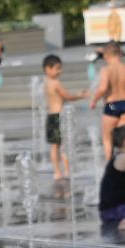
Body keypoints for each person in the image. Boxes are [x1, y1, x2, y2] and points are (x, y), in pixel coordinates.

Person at [40, 53, 90, 181]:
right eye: (57, 68)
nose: (59, 71)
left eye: (60, 68)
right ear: (47, 69)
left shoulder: (46, 82)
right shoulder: (56, 83)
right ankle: (67, 171)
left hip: (51, 116)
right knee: (63, 146)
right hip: (59, 117)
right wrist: (81, 95)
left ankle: (57, 172)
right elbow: (67, 96)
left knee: (54, 146)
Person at [90, 42, 125, 159]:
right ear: (120, 54)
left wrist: (94, 100)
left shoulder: (106, 70)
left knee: (107, 138)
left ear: (106, 56)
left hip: (112, 105)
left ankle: (110, 166)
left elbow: (103, 88)